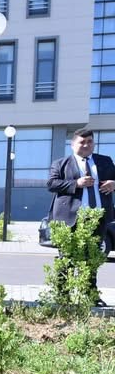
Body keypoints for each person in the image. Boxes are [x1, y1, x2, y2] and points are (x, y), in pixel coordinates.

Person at [47, 127, 115, 305]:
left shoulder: (105, 161)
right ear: (73, 144)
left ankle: (91, 296)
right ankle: (63, 296)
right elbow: (52, 184)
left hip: (96, 218)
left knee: (92, 258)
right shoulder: (60, 163)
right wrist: (76, 183)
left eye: (89, 142)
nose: (86, 145)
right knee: (66, 258)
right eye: (82, 142)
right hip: (69, 218)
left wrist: (113, 184)